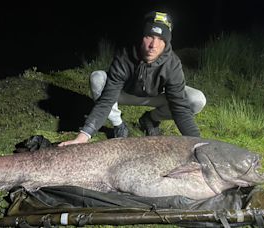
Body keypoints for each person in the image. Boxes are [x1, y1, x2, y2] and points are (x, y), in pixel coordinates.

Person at [59, 10, 206, 147]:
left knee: (196, 99)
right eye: (149, 36)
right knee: (97, 77)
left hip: (156, 97)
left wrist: (199, 145)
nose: (153, 45)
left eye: (161, 39)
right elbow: (106, 101)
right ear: (142, 36)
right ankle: (119, 125)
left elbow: (179, 108)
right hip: (125, 94)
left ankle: (151, 119)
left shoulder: (173, 65)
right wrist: (82, 137)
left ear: (167, 43)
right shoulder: (124, 56)